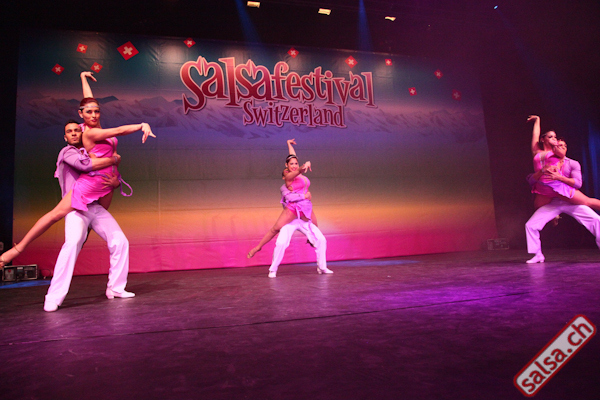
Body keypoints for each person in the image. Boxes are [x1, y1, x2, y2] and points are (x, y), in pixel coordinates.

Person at [0, 72, 155, 267]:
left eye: (96, 111)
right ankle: (16, 250)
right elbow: (119, 131)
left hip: (108, 183)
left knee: (90, 229)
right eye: (88, 113)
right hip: (91, 182)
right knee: (56, 215)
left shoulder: (91, 121)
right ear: (81, 114)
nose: (93, 115)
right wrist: (141, 125)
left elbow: (88, 101)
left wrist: (83, 78)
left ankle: (82, 255)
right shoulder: (89, 132)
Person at [43, 120, 134, 311]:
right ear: (65, 137)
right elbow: (85, 166)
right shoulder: (68, 152)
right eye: (70, 131)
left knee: (120, 241)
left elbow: (108, 176)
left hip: (94, 207)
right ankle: (53, 296)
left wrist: (116, 182)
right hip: (75, 208)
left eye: (77, 130)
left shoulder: (91, 152)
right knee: (73, 243)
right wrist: (114, 159)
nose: (74, 133)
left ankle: (116, 288)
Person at [525, 138, 600, 263]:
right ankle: (537, 255)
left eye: (564, 146)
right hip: (553, 203)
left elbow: (578, 184)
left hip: (570, 201)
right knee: (531, 225)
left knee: (596, 219)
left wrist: (560, 178)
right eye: (559, 145)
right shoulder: (546, 162)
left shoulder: (572, 163)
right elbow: (532, 181)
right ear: (553, 148)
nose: (561, 147)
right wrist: (542, 171)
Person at [247, 139, 317, 259]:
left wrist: (288, 144)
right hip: (293, 207)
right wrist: (304, 165)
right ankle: (257, 247)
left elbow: (292, 156)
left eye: (296, 163)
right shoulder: (289, 176)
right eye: (291, 164)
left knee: (315, 228)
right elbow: (297, 170)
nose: (294, 166)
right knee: (275, 229)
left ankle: (314, 248)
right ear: (286, 166)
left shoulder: (298, 172)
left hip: (306, 206)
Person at [528, 115, 600, 211]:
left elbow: (563, 151)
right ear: (542, 139)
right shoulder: (536, 152)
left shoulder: (556, 152)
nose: (554, 138)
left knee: (587, 202)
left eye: (555, 137)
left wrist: (558, 145)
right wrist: (537, 120)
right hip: (543, 187)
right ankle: (555, 216)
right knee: (538, 207)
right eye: (550, 137)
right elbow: (535, 135)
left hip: (557, 186)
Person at [267, 185, 332, 277]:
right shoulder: (285, 187)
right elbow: (290, 198)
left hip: (303, 220)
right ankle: (273, 270)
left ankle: (322, 268)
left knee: (321, 239)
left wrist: (305, 196)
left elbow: (308, 203)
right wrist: (304, 196)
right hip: (289, 221)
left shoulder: (303, 186)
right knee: (281, 243)